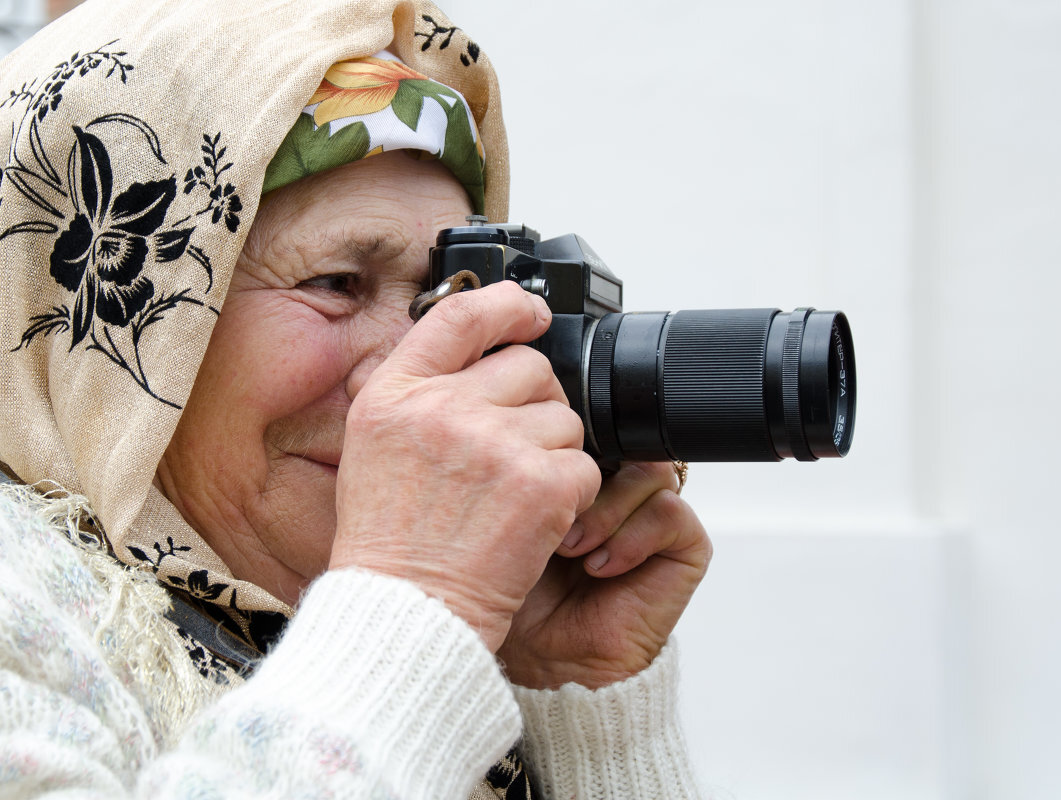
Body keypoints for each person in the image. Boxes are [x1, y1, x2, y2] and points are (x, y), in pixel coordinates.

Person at [0, 1, 711, 798]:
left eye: (450, 294)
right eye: (338, 284)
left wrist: (588, 715)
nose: (421, 370)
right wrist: (411, 602)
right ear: (119, 325)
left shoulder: (441, 648)